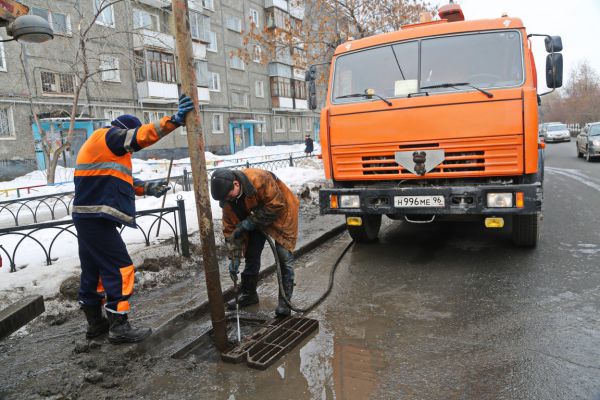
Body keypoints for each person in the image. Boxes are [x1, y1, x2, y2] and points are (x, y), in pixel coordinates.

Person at [73, 94, 195, 344]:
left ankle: (96, 325)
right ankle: (119, 327)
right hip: (95, 217)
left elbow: (122, 180)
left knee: (93, 271)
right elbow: (140, 137)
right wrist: (173, 121)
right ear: (125, 130)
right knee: (121, 267)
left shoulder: (104, 149)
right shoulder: (108, 136)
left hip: (88, 217)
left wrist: (147, 188)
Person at [210, 168, 300, 316]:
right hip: (253, 216)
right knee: (251, 253)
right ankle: (249, 294)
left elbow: (277, 204)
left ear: (236, 183)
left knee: (283, 256)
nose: (228, 200)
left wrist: (250, 222)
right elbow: (231, 231)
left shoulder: (259, 178)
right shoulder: (227, 201)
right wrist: (234, 257)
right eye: (225, 198)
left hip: (282, 213)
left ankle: (285, 301)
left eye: (228, 196)